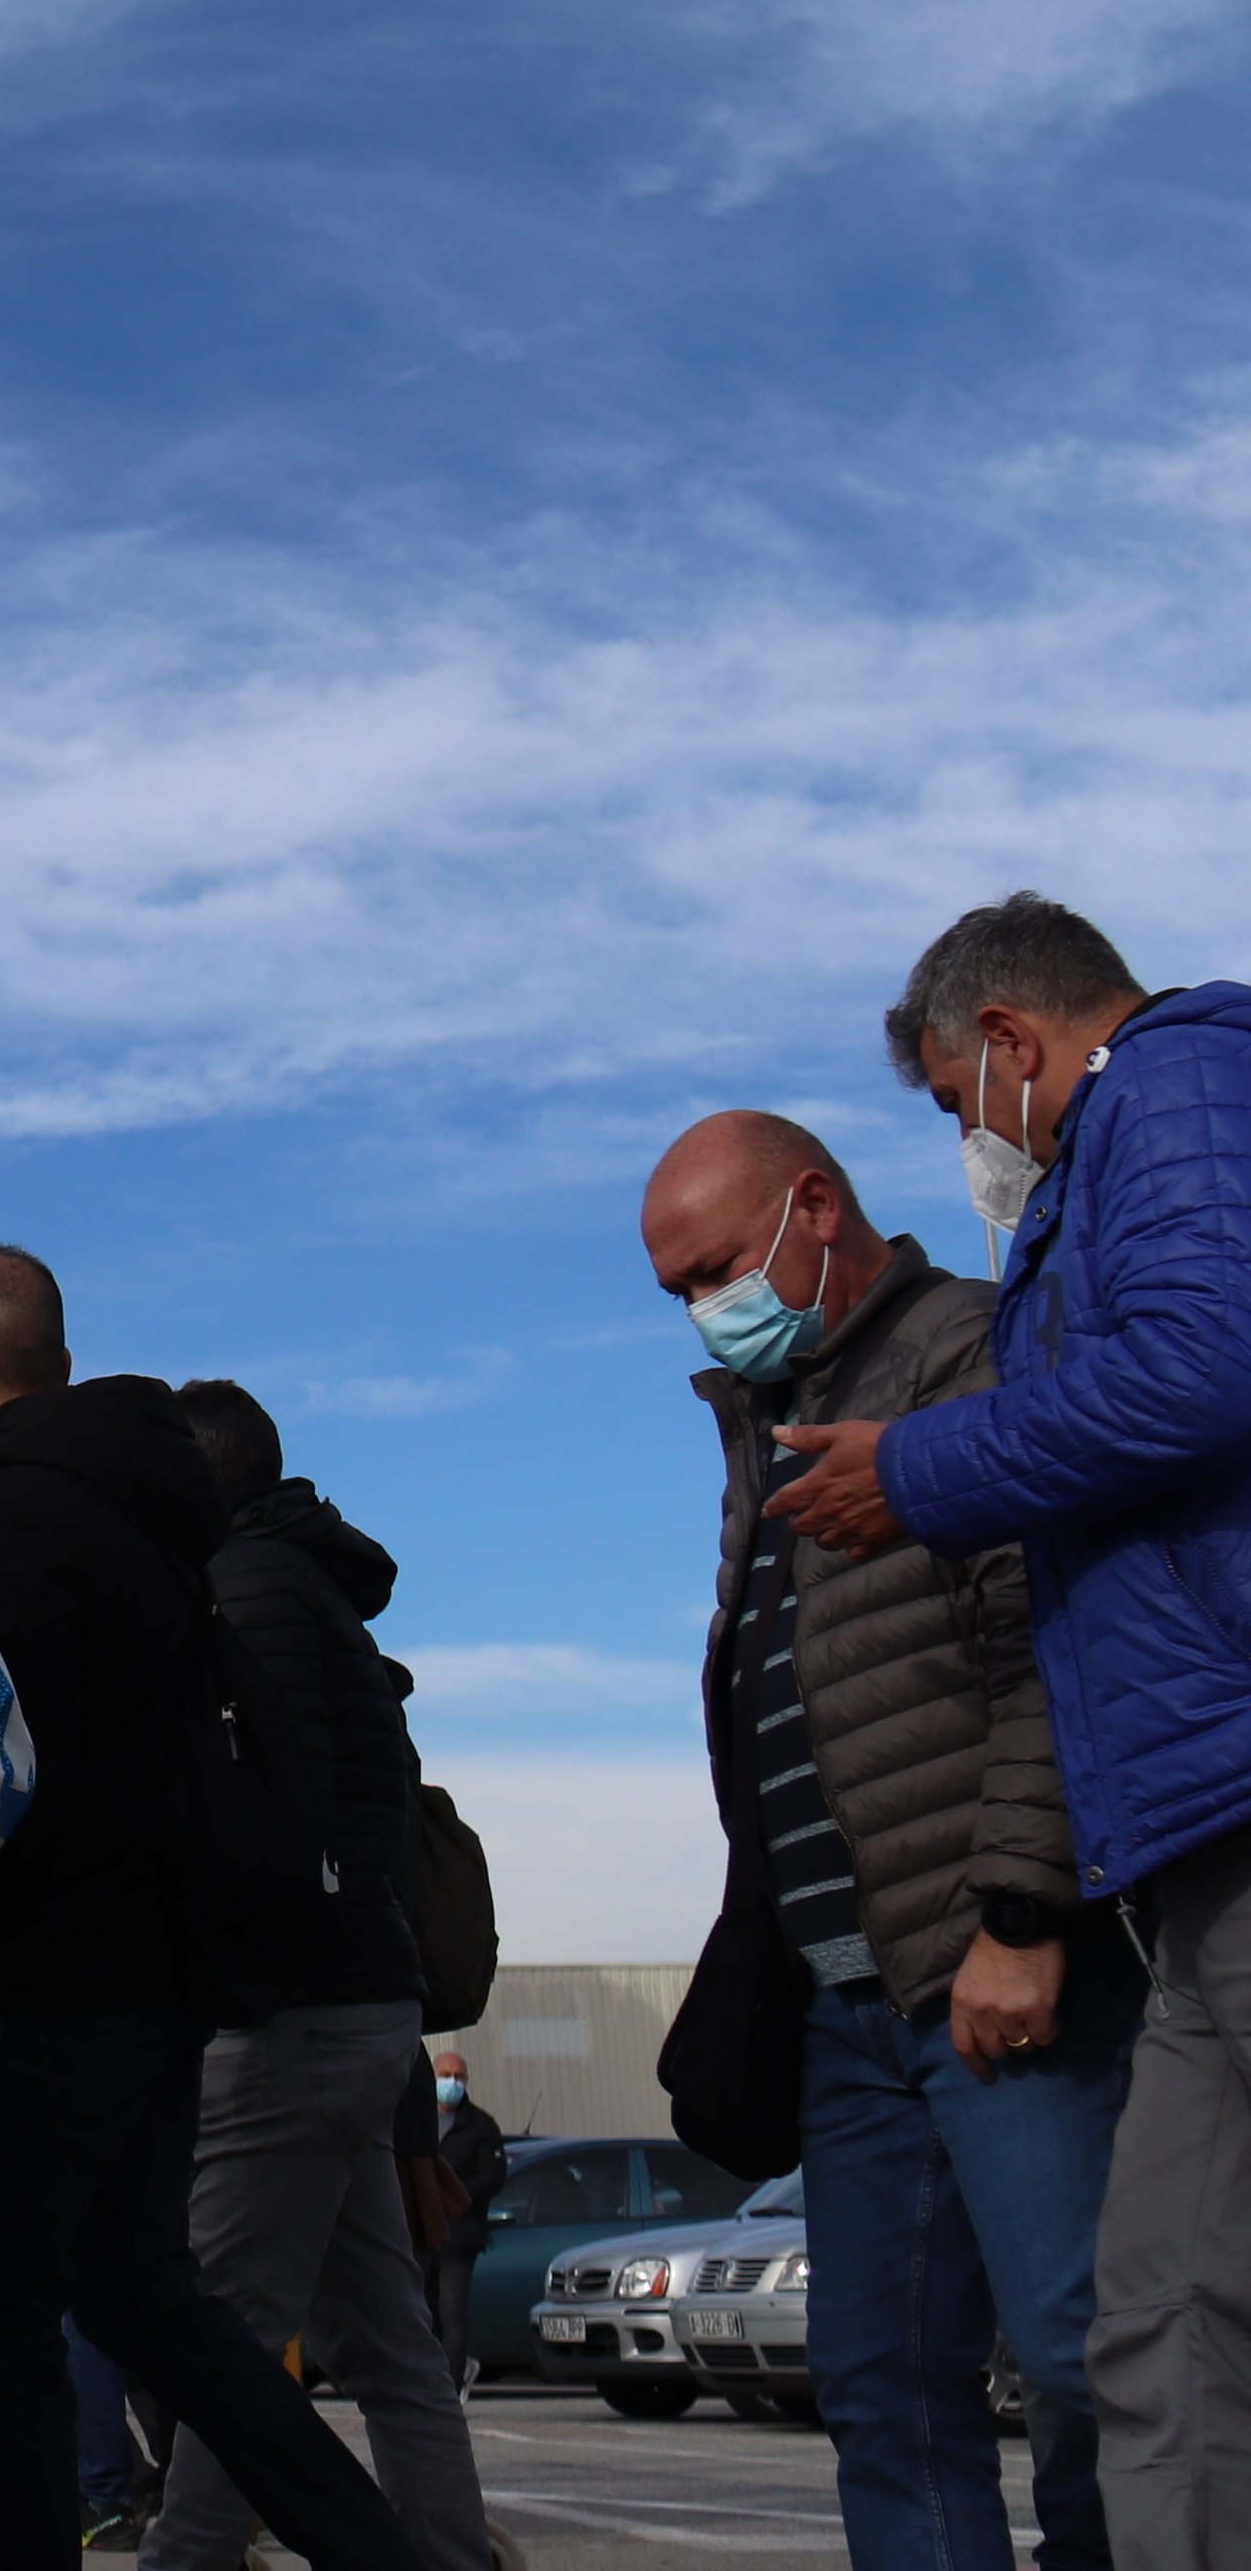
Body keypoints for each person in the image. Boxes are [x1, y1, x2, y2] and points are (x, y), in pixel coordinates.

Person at [747, 903, 1218, 2540]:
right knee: (1027, 2358)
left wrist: (1019, 1905)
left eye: (960, 1102)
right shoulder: (790, 1407)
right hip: (940, 1952)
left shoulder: (1164, 1104)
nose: (972, 1139)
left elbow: (1054, 1624)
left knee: (1122, 2344)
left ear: (1012, 1043)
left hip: (1028, 1933)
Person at [0, 1248, 418, 2571]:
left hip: (29, 1981)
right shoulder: (160, 1529)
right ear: (61, 1367)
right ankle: (377, 2546)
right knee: (153, 2302)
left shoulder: (3, 1526)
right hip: (159, 1984)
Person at [137, 1381, 488, 2571]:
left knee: (226, 2332)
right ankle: (445, 2549)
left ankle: (186, 2558)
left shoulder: (248, 1588)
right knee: (386, 2337)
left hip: (291, 2010)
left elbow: (260, 1819)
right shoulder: (313, 1586)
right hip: (354, 2008)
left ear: (197, 1478)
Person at [424, 2055, 505, 2378]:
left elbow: (493, 2178)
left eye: (458, 2076)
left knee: (452, 2308)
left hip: (460, 2234)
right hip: (421, 2233)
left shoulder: (481, 2126)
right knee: (422, 2309)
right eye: (445, 2075)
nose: (452, 2082)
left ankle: (452, 2382)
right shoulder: (416, 2122)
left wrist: (449, 2195)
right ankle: (427, 2377)